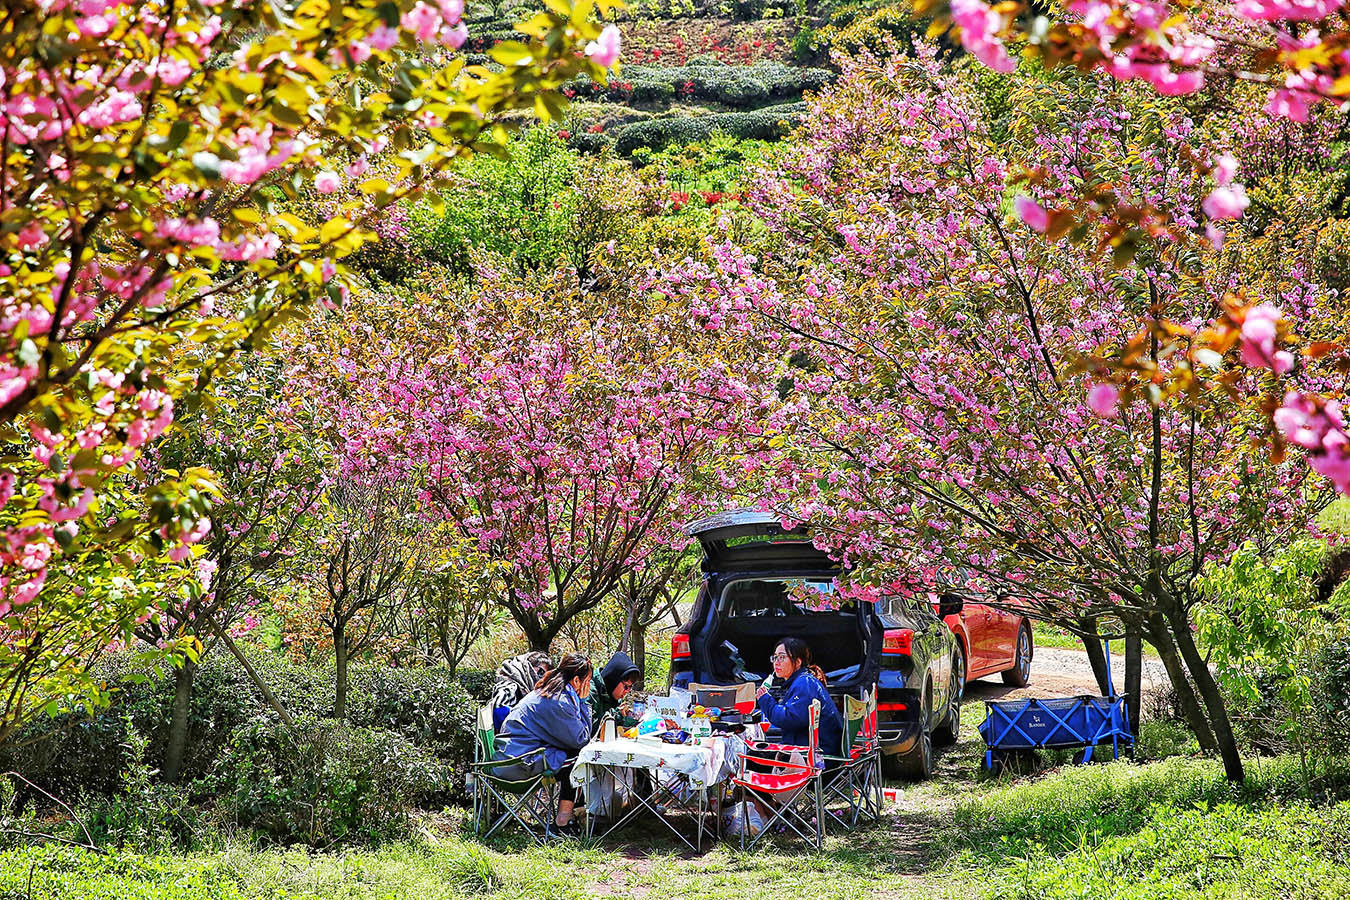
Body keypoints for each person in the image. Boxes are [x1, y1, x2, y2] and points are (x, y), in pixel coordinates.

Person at [494, 653, 594, 837]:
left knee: (573, 753)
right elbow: (581, 738)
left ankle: (568, 816)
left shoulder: (550, 691)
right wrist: (584, 702)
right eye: (587, 681)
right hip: (517, 764)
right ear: (577, 681)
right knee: (581, 760)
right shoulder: (560, 701)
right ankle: (563, 822)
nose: (588, 686)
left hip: (513, 756)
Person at [755, 637, 844, 758]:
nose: (776, 662)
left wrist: (765, 700)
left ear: (797, 662)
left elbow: (790, 718)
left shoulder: (805, 683)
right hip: (810, 750)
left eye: (782, 657)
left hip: (817, 757)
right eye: (774, 657)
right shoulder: (802, 681)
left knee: (749, 756)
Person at [489, 651, 552, 731]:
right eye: (541, 672)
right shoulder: (509, 687)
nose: (541, 677)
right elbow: (500, 715)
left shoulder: (520, 687)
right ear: (527, 667)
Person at [589, 651, 641, 734]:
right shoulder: (589, 692)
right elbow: (588, 730)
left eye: (630, 687)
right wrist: (617, 715)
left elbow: (622, 727)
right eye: (625, 687)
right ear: (613, 681)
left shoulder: (613, 696)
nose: (627, 691)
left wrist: (630, 718)